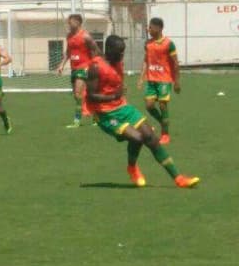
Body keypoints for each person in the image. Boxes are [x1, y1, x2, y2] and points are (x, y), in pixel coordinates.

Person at [85, 34, 199, 188]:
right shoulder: (96, 67)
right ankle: (132, 167)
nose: (122, 55)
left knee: (150, 137)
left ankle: (179, 179)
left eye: (123, 52)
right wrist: (113, 96)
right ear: (109, 50)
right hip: (105, 113)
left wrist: (118, 93)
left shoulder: (118, 63)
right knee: (137, 138)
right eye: (119, 52)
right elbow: (91, 96)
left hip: (123, 107)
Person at [138, 17, 181, 145]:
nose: (148, 29)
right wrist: (141, 78)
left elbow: (175, 63)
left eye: (150, 27)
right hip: (151, 80)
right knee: (149, 106)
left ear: (159, 28)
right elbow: (146, 61)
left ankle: (165, 134)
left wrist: (177, 81)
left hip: (164, 79)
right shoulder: (148, 44)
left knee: (162, 105)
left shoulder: (169, 44)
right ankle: (163, 121)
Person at [56, 14, 101, 128]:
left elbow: (96, 49)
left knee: (78, 94)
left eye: (70, 22)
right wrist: (61, 65)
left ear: (78, 22)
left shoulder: (85, 36)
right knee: (78, 96)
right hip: (74, 68)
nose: (68, 24)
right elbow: (68, 52)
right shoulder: (69, 36)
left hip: (84, 67)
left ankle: (77, 121)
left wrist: (95, 64)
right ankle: (96, 116)